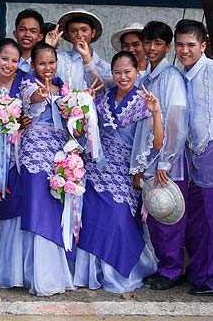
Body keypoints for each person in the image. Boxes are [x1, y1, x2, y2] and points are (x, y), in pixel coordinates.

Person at [0, 42, 74, 296]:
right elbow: (30, 99)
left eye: (51, 63)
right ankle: (23, 271)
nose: (47, 68)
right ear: (32, 66)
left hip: (58, 155)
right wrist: (38, 96)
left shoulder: (65, 89)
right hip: (32, 153)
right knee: (34, 204)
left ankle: (46, 271)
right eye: (41, 63)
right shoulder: (28, 85)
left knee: (53, 206)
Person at [74, 51, 162, 293]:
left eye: (128, 72)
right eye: (117, 72)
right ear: (111, 74)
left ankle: (119, 272)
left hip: (126, 172)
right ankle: (89, 274)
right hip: (94, 170)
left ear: (137, 72)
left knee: (118, 218)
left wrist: (155, 112)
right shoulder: (101, 99)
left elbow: (157, 144)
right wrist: (84, 106)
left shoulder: (144, 101)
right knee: (89, 217)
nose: (123, 77)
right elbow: (84, 133)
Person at [131, 21, 189, 291]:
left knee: (169, 216)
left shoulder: (172, 78)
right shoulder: (145, 78)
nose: (151, 48)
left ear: (168, 48)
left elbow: (176, 121)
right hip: (150, 159)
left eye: (158, 44)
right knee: (154, 213)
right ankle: (162, 266)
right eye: (148, 42)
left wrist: (167, 159)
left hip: (168, 162)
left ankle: (172, 270)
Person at [174, 19, 213, 296]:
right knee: (198, 220)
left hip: (211, 150)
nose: (185, 50)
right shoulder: (181, 75)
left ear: (203, 45)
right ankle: (200, 272)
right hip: (193, 157)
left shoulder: (210, 71)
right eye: (180, 45)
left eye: (191, 45)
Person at [56, 9, 113, 90]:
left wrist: (88, 61)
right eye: (73, 31)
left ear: (93, 33)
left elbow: (103, 87)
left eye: (84, 30)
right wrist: (48, 47)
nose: (79, 35)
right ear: (68, 35)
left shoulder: (104, 66)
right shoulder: (59, 59)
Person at [13, 9, 44, 74]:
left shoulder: (45, 65)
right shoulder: (5, 62)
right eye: (22, 29)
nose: (27, 34)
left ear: (39, 37)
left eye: (33, 31)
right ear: (15, 33)